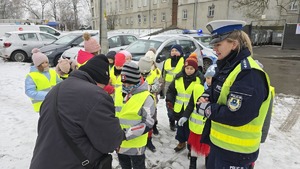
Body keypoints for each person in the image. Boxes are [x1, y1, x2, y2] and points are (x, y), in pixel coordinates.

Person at [197, 20, 271, 169]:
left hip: (236, 153)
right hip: (218, 145)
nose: (214, 48)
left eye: (218, 44)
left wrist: (206, 109)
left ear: (234, 44)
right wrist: (205, 96)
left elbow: (237, 115)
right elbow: (216, 92)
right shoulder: (227, 66)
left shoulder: (248, 73)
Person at [29, 54, 124, 169]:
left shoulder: (55, 90)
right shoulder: (96, 96)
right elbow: (110, 142)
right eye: (103, 86)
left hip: (42, 162)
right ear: (99, 80)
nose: (103, 89)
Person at [117, 61, 155, 169]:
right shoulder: (118, 92)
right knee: (124, 166)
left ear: (137, 81)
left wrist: (125, 134)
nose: (126, 86)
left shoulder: (146, 97)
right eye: (124, 83)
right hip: (120, 143)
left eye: (129, 83)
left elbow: (149, 122)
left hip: (136, 145)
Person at [166, 53, 205, 153]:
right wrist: (170, 100)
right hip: (179, 108)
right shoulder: (178, 78)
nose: (189, 70)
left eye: (191, 68)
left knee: (190, 129)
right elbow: (171, 90)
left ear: (195, 69)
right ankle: (181, 142)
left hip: (192, 110)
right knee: (180, 127)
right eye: (187, 68)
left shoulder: (199, 80)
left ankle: (190, 146)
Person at [25, 48, 62, 113]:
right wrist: (47, 95)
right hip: (41, 105)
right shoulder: (31, 76)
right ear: (37, 64)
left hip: (55, 103)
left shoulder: (52, 72)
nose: (45, 64)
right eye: (42, 63)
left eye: (46, 62)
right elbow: (29, 92)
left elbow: (60, 83)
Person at [138, 50, 161, 152]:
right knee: (139, 122)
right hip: (138, 103)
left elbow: (157, 87)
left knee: (149, 122)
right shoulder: (137, 75)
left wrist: (148, 87)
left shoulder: (153, 74)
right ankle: (140, 139)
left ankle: (149, 140)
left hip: (150, 103)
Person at [161, 44, 185, 131]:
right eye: (172, 51)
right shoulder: (167, 61)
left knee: (179, 105)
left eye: (176, 51)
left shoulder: (184, 61)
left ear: (180, 52)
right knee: (169, 106)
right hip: (168, 88)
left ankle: (179, 121)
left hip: (180, 88)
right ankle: (171, 122)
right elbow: (163, 75)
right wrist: (161, 89)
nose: (174, 52)